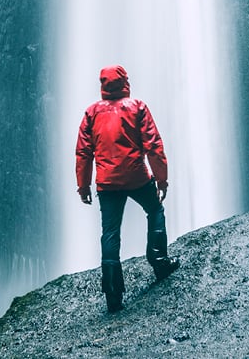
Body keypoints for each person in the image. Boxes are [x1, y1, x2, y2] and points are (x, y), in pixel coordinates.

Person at [76, 64, 180, 313]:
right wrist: (161, 179)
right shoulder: (137, 107)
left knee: (110, 232)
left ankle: (113, 293)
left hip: (107, 183)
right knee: (155, 209)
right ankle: (159, 261)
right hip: (137, 177)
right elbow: (154, 145)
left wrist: (83, 186)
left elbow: (83, 153)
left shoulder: (92, 113)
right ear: (125, 83)